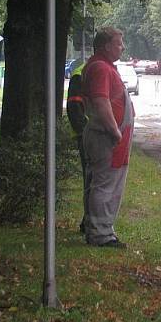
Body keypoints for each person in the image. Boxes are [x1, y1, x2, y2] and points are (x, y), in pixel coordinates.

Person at [81, 27, 135, 248]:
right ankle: (101, 234)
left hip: (105, 136)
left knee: (99, 182)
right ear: (106, 46)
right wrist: (115, 131)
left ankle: (94, 226)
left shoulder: (101, 67)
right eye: (119, 43)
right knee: (106, 185)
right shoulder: (101, 69)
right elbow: (101, 102)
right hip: (107, 138)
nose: (122, 47)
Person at [66, 61, 88, 232]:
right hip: (88, 136)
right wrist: (84, 133)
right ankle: (89, 222)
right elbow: (74, 107)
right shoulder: (81, 74)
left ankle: (89, 220)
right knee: (92, 180)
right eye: (118, 43)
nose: (122, 47)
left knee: (94, 180)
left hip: (95, 135)